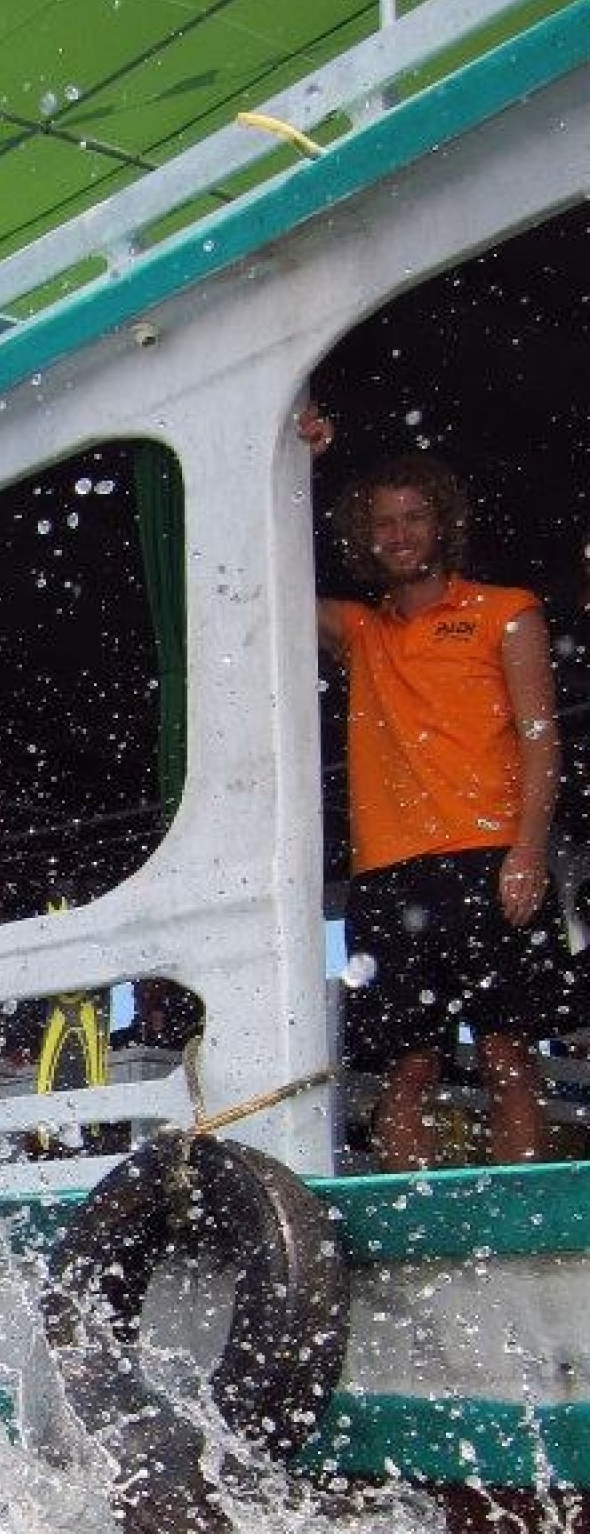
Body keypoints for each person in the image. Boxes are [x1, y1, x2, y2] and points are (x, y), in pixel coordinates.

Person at [301, 411, 567, 1168]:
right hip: (387, 872)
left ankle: (522, 1219)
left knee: (507, 1054)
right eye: (382, 523)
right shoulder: (361, 629)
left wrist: (529, 851)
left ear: (442, 525)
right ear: (364, 535)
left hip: (488, 854)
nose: (399, 534)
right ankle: (407, 1230)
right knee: (406, 1066)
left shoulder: (505, 611)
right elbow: (261, 569)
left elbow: (542, 737)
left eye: (414, 518)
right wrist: (300, 462)